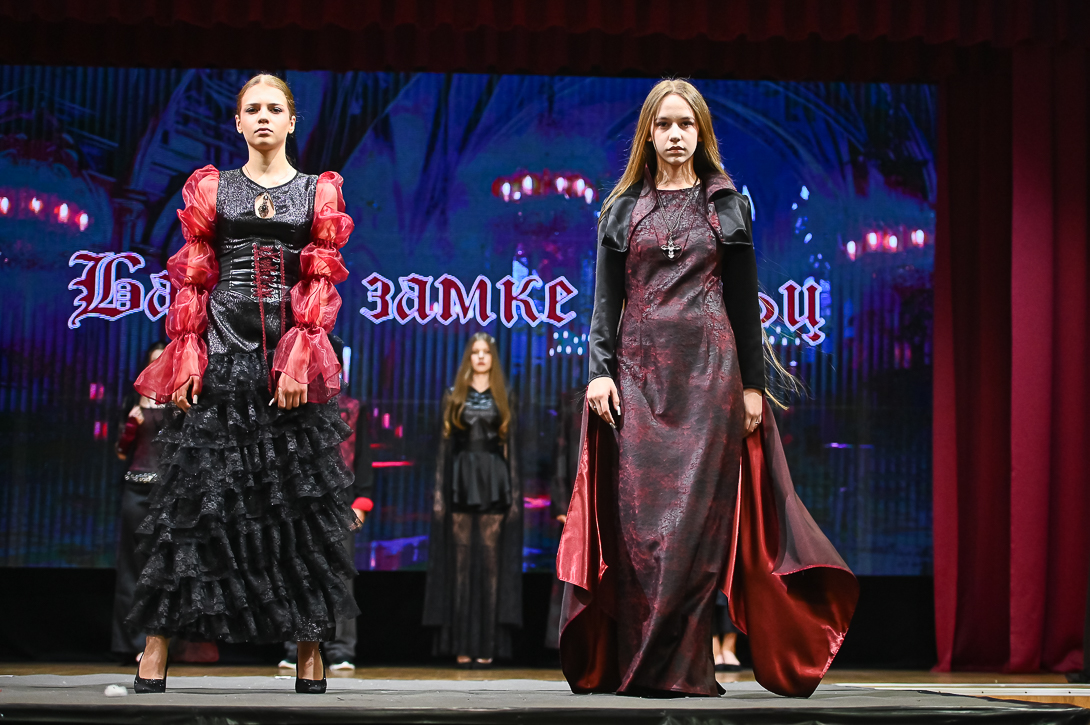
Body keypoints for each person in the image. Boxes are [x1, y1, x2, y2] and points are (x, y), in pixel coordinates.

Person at [556, 79, 858, 698]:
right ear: (648, 134)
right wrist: (598, 371)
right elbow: (605, 302)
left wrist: (753, 387)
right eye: (664, 124)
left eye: (685, 124)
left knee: (694, 533)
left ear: (701, 133)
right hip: (639, 382)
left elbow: (745, 305)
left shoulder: (726, 206)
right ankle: (639, 663)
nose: (675, 135)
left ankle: (684, 669)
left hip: (710, 382)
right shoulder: (621, 210)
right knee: (642, 532)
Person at [127, 74, 362, 695]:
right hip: (223, 358)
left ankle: (309, 650)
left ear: (291, 121)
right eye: (252, 109)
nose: (263, 117)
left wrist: (299, 360)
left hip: (286, 363)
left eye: (274, 109)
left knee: (300, 510)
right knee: (191, 504)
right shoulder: (213, 188)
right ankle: (156, 647)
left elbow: (319, 283)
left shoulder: (317, 191)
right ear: (238, 122)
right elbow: (194, 279)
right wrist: (187, 356)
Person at [423, 333, 522, 668]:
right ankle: (462, 643)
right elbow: (444, 448)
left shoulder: (505, 394)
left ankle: (488, 644)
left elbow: (510, 447)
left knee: (491, 566)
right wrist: (439, 495)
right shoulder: (454, 394)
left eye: (486, 352)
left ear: (492, 358)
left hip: (494, 480)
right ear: (469, 356)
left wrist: (515, 495)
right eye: (476, 352)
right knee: (461, 566)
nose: (481, 357)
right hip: (462, 480)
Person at [280, 336, 373, 673]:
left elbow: (363, 457)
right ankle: (295, 647)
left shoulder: (352, 407)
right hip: (301, 498)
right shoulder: (296, 401)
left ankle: (341, 650)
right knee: (299, 573)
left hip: (341, 500)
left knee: (340, 576)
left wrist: (362, 500)